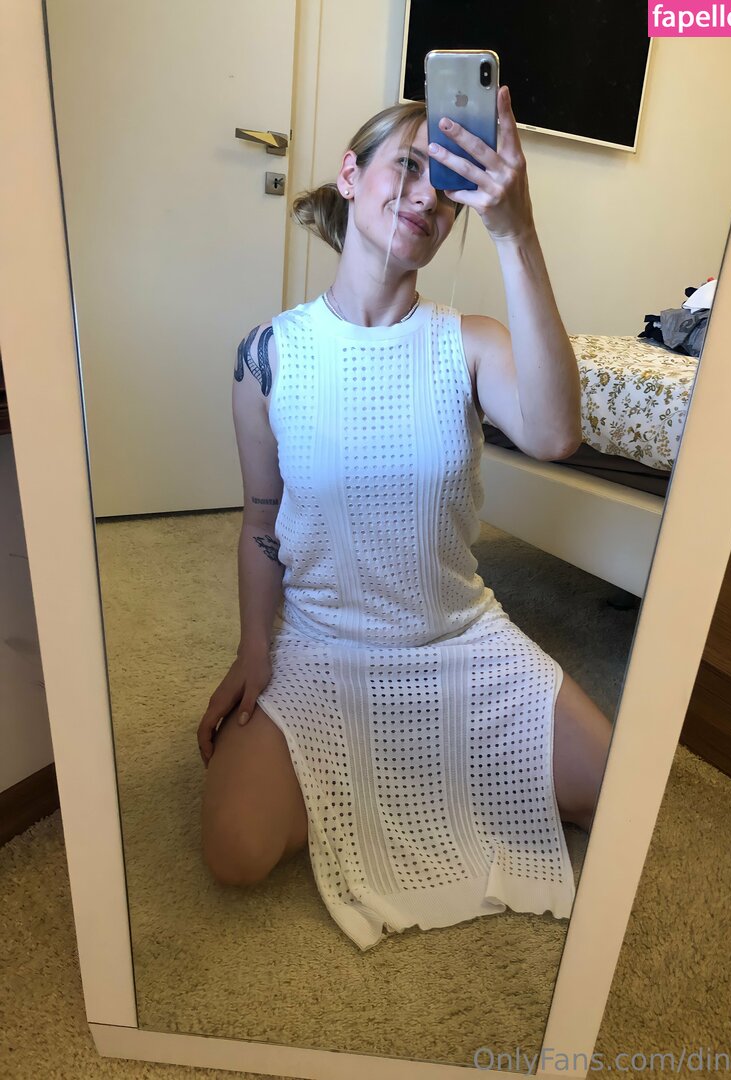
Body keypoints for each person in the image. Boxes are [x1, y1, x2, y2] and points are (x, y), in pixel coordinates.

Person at [196, 86, 613, 951]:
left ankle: (408, 769)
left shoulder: (471, 342)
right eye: (408, 167)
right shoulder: (268, 355)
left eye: (448, 187)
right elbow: (261, 519)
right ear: (351, 176)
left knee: (622, 791)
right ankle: (398, 770)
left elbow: (555, 434)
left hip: (459, 643)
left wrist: (516, 232)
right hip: (323, 649)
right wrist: (253, 648)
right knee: (236, 850)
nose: (427, 196)